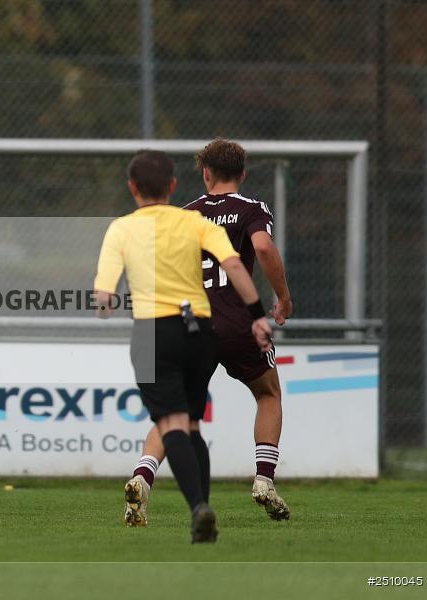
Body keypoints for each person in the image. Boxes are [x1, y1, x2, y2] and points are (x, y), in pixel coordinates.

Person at [94, 150, 272, 543]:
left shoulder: (121, 229)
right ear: (173, 186)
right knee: (192, 425)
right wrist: (258, 315)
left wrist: (105, 303)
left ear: (132, 188)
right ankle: (202, 515)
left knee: (171, 424)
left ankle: (198, 508)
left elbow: (104, 296)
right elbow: (236, 266)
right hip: (198, 332)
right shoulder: (193, 221)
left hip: (153, 333)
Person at [128, 139, 293, 525]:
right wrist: (282, 297)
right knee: (268, 393)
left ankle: (142, 477)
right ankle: (264, 480)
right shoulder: (252, 209)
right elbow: (264, 248)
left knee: (174, 413)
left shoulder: (186, 215)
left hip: (191, 325)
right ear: (243, 174)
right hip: (237, 323)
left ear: (205, 174)